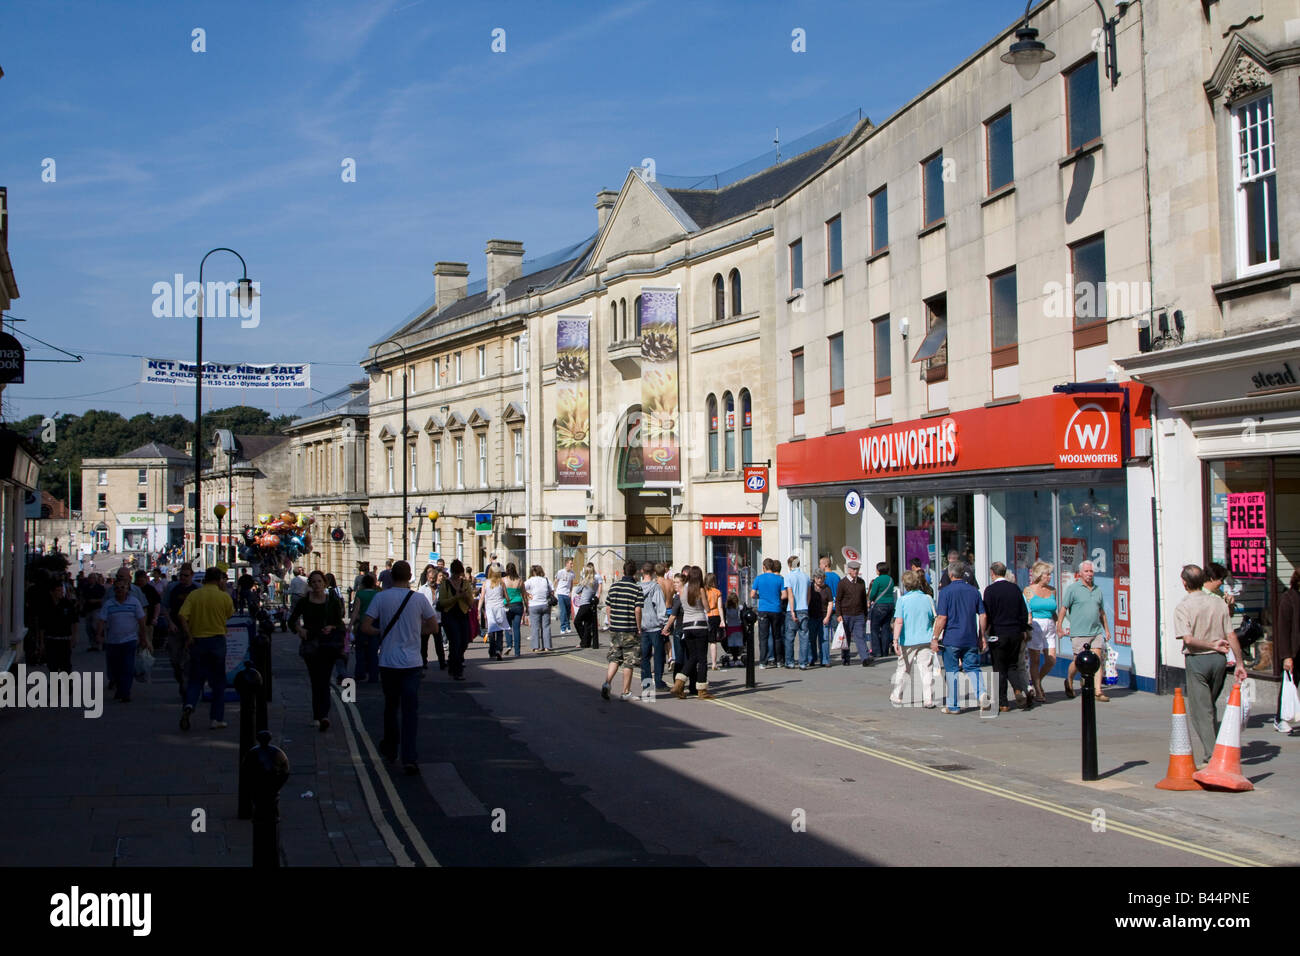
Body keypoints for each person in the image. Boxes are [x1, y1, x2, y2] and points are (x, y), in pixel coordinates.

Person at [361, 560, 437, 775]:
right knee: (410, 711)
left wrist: (382, 632)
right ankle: (409, 758)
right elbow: (433, 626)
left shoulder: (381, 597)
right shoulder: (419, 599)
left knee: (391, 707)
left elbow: (366, 626)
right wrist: (416, 631)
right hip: (412, 663)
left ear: (391, 576)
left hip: (387, 662)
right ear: (410, 575)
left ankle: (391, 749)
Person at [1171, 563, 1247, 763]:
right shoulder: (1218, 603)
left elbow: (1188, 640)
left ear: (1184, 583)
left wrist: (1211, 645)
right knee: (1209, 707)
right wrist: (1240, 663)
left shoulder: (1183, 606)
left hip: (1198, 659)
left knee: (1200, 711)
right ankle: (1218, 747)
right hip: (1219, 661)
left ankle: (1213, 757)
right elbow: (1231, 634)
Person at [177, 567, 235, 729]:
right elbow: (229, 614)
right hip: (216, 641)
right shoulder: (223, 597)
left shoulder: (195, 595)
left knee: (196, 679)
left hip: (198, 641)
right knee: (218, 682)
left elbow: (182, 615)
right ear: (218, 580)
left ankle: (189, 705)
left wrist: (188, 634)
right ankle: (216, 718)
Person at [289, 570, 346, 730]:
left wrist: (331, 626)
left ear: (324, 583)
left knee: (325, 679)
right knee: (316, 680)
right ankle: (317, 715)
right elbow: (292, 621)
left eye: (319, 582)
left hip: (328, 645)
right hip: (311, 645)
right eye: (313, 582)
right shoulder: (304, 602)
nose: (316, 585)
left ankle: (324, 716)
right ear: (310, 584)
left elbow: (339, 623)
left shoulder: (332, 601)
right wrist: (300, 630)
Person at [932, 561, 987, 714]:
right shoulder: (974, 591)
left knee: (952, 671)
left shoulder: (945, 592)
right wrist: (981, 636)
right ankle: (981, 693)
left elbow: (942, 617)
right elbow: (982, 615)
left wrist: (935, 637)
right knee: (973, 668)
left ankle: (953, 706)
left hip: (952, 638)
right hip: (970, 637)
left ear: (950, 575)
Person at [983, 561, 1033, 711]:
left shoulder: (990, 590)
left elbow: (988, 613)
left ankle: (1003, 703)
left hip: (998, 634)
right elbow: (1023, 612)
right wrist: (1023, 629)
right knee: (1012, 665)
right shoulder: (1015, 589)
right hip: (1015, 633)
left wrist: (984, 632)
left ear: (993, 573)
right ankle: (1018, 690)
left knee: (999, 668)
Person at [1059, 559, 1111, 701]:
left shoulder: (1097, 590)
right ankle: (1069, 679)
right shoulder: (1073, 589)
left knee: (1097, 659)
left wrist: (1106, 629)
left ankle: (1098, 691)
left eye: (1091, 571)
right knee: (1078, 661)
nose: (1089, 574)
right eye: (1086, 571)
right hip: (1079, 631)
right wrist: (1059, 628)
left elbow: (1101, 612)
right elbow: (1063, 609)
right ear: (1080, 573)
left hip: (1095, 631)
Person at [665, 565, 715, 699]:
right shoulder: (700, 590)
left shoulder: (683, 590)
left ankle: (678, 684)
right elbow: (707, 608)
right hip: (699, 625)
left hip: (686, 627)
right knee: (702, 659)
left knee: (692, 657)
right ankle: (702, 690)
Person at [97, 572, 147, 703]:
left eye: (122, 588)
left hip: (129, 640)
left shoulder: (134, 602)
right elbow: (101, 620)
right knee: (115, 668)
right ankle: (119, 687)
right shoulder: (109, 604)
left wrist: (144, 638)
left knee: (128, 667)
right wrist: (99, 635)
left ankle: (126, 692)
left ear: (127, 589)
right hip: (112, 641)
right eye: (117, 588)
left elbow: (141, 621)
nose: (120, 590)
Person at [890, 569, 937, 708]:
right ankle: (928, 699)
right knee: (926, 669)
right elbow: (934, 618)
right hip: (925, 638)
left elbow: (899, 621)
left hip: (908, 640)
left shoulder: (902, 600)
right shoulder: (928, 599)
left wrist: (895, 640)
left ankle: (897, 695)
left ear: (905, 584)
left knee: (903, 668)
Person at [600, 560, 644, 701]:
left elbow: (608, 607)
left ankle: (607, 682)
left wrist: (611, 621)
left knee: (615, 657)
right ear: (635, 572)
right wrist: (638, 627)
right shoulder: (636, 588)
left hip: (616, 628)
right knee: (628, 661)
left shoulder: (614, 586)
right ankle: (625, 691)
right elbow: (637, 609)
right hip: (630, 628)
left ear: (624, 571)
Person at [1023, 561, 1057, 703]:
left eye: (1050, 574)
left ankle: (1037, 680)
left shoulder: (1052, 590)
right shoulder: (1029, 590)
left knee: (1051, 659)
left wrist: (1060, 625)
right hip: (1035, 624)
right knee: (1035, 659)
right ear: (1039, 575)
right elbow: (1026, 609)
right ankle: (1037, 689)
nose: (1049, 577)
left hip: (1050, 624)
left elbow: (1054, 610)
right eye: (1047, 574)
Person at [437, 560, 475, 679]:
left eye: (459, 574)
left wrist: (465, 597)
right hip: (449, 615)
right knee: (455, 641)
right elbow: (442, 602)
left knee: (464, 641)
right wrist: (456, 597)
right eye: (455, 574)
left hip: (462, 614)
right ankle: (457, 671)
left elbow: (471, 602)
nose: (457, 576)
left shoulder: (465, 583)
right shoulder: (446, 584)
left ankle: (453, 661)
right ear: (452, 572)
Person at [1274, 567, 1300, 734]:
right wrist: (1286, 656)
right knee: (1290, 684)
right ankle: (1280, 718)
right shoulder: (1288, 598)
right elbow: (1283, 630)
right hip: (1294, 650)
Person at [36, 576, 80, 674]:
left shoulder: (67, 604)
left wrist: (74, 636)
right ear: (52, 592)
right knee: (52, 665)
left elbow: (74, 621)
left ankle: (67, 685)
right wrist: (41, 642)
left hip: (64, 639)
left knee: (66, 665)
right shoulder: (46, 606)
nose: (60, 593)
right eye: (58, 591)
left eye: (61, 590)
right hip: (51, 639)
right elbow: (42, 626)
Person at [639, 563, 669, 694]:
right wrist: (664, 623)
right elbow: (660, 607)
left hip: (643, 626)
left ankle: (647, 685)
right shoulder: (655, 588)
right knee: (658, 655)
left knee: (644, 657)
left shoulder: (637, 588)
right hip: (656, 626)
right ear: (653, 573)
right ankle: (658, 681)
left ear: (642, 572)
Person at [751, 558, 786, 668]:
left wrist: (759, 596)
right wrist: (777, 598)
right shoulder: (779, 579)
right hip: (776, 609)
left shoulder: (759, 578)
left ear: (764, 567)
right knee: (777, 636)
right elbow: (784, 595)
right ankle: (779, 660)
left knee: (763, 637)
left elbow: (752, 594)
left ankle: (763, 662)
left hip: (763, 609)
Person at [836, 560, 872, 666]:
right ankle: (845, 658)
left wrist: (865, 614)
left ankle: (865, 658)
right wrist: (839, 615)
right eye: (854, 569)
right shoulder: (842, 583)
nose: (856, 571)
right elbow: (838, 600)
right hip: (846, 614)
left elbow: (863, 599)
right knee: (846, 638)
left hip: (859, 614)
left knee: (860, 636)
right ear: (849, 570)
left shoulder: (861, 582)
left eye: (857, 569)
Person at [350, 573, 382, 681]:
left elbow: (355, 611)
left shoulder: (360, 594)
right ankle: (373, 675)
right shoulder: (378, 594)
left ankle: (360, 673)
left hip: (362, 624)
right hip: (375, 624)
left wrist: (350, 625)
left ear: (363, 583)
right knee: (373, 651)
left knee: (360, 650)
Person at [783, 556, 811, 669]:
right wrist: (806, 605)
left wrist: (793, 611)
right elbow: (809, 595)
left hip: (792, 609)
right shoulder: (806, 577)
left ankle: (789, 661)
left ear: (790, 565)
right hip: (804, 608)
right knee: (804, 636)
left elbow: (790, 595)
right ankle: (803, 662)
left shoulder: (788, 577)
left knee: (789, 637)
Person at [415, 565, 445, 669]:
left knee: (439, 643)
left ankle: (442, 662)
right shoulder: (422, 589)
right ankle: (423, 661)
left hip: (438, 619)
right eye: (430, 578)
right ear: (427, 577)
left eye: (433, 578)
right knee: (424, 643)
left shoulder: (441, 589)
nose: (431, 580)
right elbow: (417, 604)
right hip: (425, 620)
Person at [867, 561, 896, 662]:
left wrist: (870, 599)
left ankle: (876, 651)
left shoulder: (878, 580)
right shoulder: (890, 580)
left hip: (879, 605)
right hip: (890, 605)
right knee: (885, 627)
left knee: (874, 628)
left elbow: (872, 594)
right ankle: (885, 651)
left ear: (879, 570)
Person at [479, 565, 509, 661]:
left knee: (491, 631)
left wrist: (479, 610)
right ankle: (499, 650)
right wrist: (507, 602)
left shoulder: (485, 583)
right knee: (500, 631)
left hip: (490, 609)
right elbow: (507, 597)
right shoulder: (502, 583)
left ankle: (492, 651)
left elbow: (482, 597)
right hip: (500, 608)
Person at [524, 564, 554, 653]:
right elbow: (551, 591)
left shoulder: (530, 581)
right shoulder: (546, 580)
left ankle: (536, 647)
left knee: (535, 627)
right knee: (546, 626)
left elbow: (521, 588)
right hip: (545, 604)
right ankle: (547, 646)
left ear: (532, 572)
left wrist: (528, 594)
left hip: (534, 605)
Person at [808, 571, 831, 667]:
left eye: (821, 578)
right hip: (811, 616)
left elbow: (830, 602)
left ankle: (825, 660)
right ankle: (811, 658)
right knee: (811, 639)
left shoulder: (827, 588)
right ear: (814, 578)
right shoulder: (810, 587)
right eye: (818, 578)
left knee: (824, 639)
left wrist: (827, 617)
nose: (820, 580)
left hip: (823, 617)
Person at [573, 566, 598, 649]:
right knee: (587, 624)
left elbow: (576, 590)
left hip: (584, 604)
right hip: (590, 604)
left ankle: (584, 640)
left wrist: (581, 580)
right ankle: (586, 642)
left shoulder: (585, 581)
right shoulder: (595, 581)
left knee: (577, 622)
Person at [503, 563, 525, 658]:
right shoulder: (520, 581)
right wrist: (527, 606)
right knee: (517, 629)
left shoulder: (503, 580)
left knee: (508, 627)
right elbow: (524, 595)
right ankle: (517, 651)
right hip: (518, 605)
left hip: (508, 605)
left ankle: (508, 645)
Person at [81, 571, 106, 651]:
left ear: (95, 579)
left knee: (95, 626)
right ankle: (93, 644)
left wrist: (95, 600)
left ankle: (100, 642)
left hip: (97, 608)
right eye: (89, 578)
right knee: (88, 628)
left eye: (92, 578)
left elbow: (103, 599)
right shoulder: (86, 587)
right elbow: (82, 597)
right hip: (88, 609)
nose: (90, 580)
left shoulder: (100, 588)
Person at [704, 572, 724, 670]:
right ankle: (714, 663)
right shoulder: (717, 592)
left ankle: (702, 662)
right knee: (713, 641)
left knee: (703, 640)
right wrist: (722, 620)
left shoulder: (703, 591)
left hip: (705, 616)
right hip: (715, 615)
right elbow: (720, 607)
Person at [554, 557, 576, 635]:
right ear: (567, 564)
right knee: (563, 611)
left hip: (567, 594)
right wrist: (554, 591)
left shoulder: (572, 573)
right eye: (570, 563)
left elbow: (571, 583)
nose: (572, 565)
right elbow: (556, 581)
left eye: (572, 563)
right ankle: (563, 627)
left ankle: (568, 625)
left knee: (568, 611)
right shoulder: (560, 572)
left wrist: (570, 591)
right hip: (560, 593)